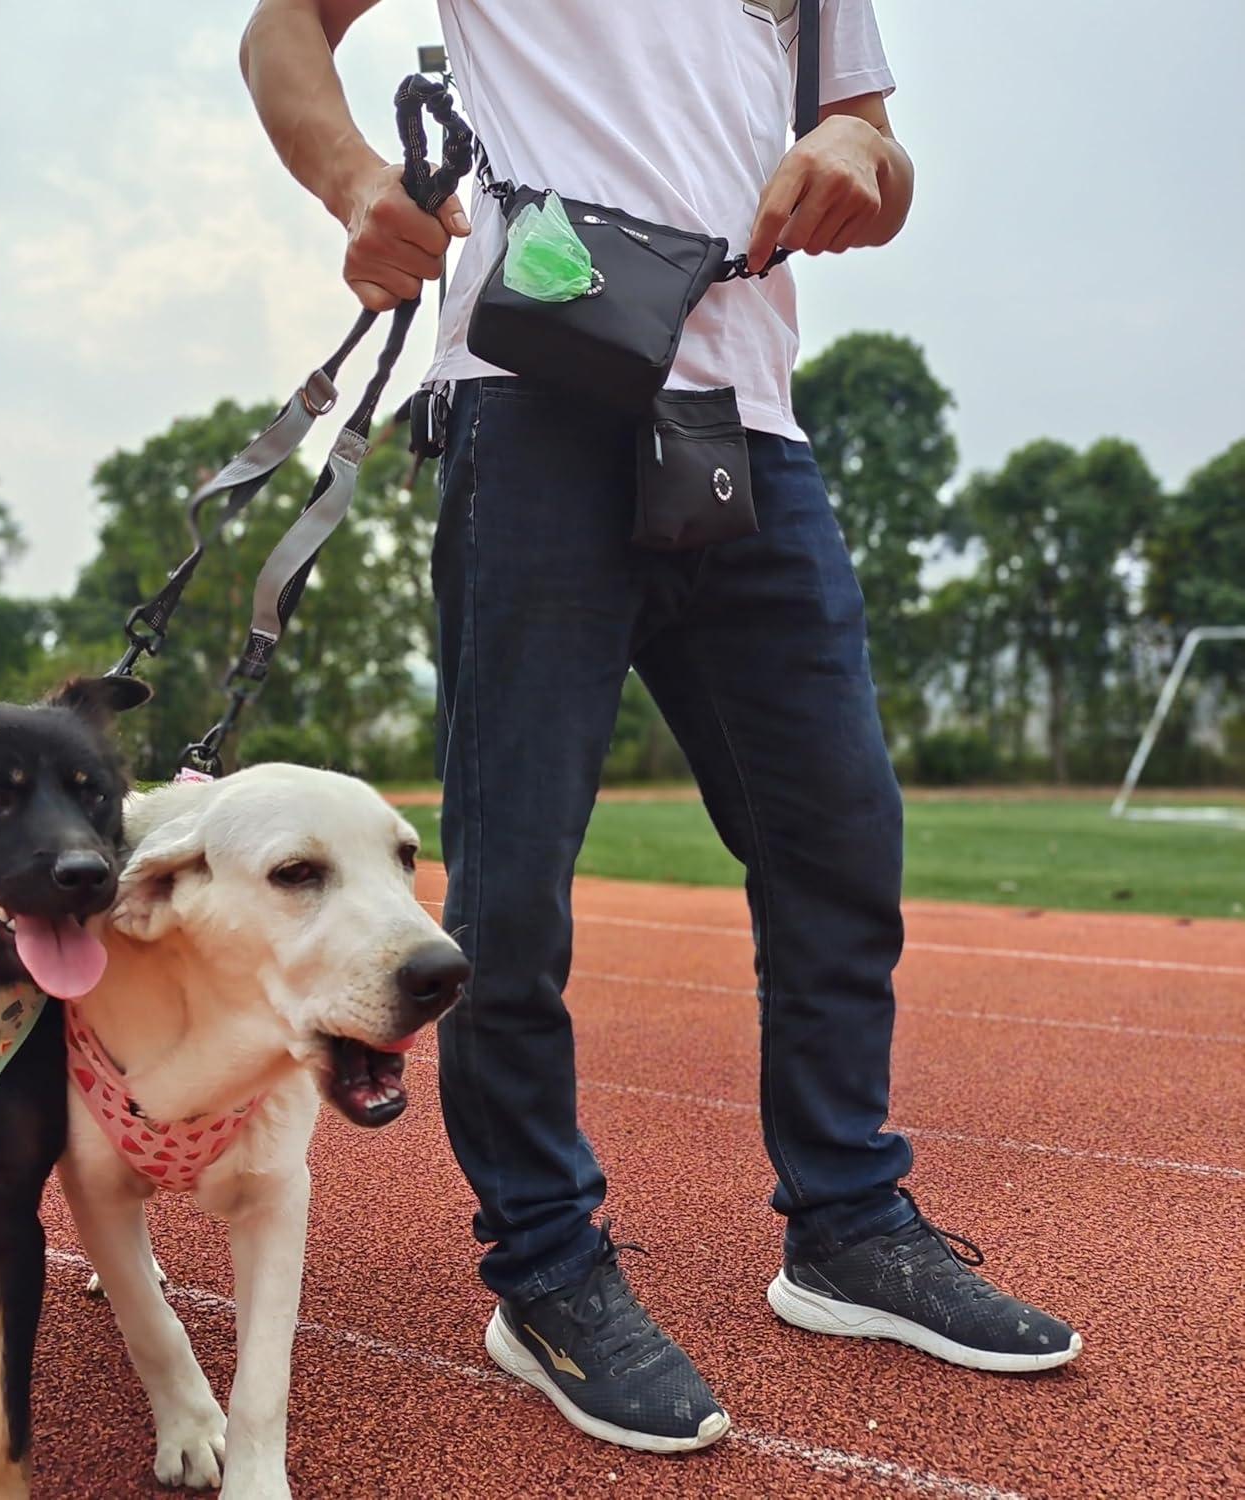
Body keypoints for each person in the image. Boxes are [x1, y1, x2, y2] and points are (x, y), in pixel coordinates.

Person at [242, 0, 1081, 1455]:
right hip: (535, 404)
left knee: (839, 843)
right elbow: (281, 28)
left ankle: (848, 1227)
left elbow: (877, 163)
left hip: (754, 431)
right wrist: (359, 188)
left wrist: (846, 151)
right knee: (513, 883)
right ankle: (547, 1269)